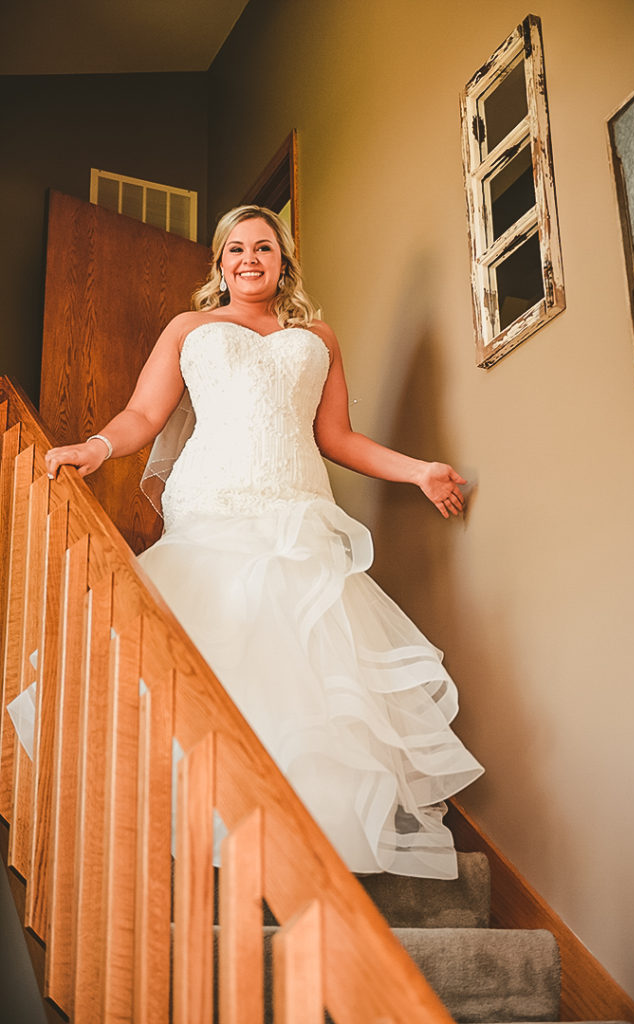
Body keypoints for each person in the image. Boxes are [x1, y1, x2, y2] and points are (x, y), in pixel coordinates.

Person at [44, 205, 483, 878]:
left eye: (264, 248)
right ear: (220, 263)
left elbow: (336, 439)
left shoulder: (318, 337)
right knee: (214, 651)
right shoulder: (190, 329)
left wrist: (419, 469)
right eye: (236, 248)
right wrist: (97, 448)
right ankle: (195, 830)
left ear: (284, 263)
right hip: (212, 504)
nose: (250, 258)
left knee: (303, 671)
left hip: (297, 511)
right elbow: (143, 414)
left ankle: (293, 843)